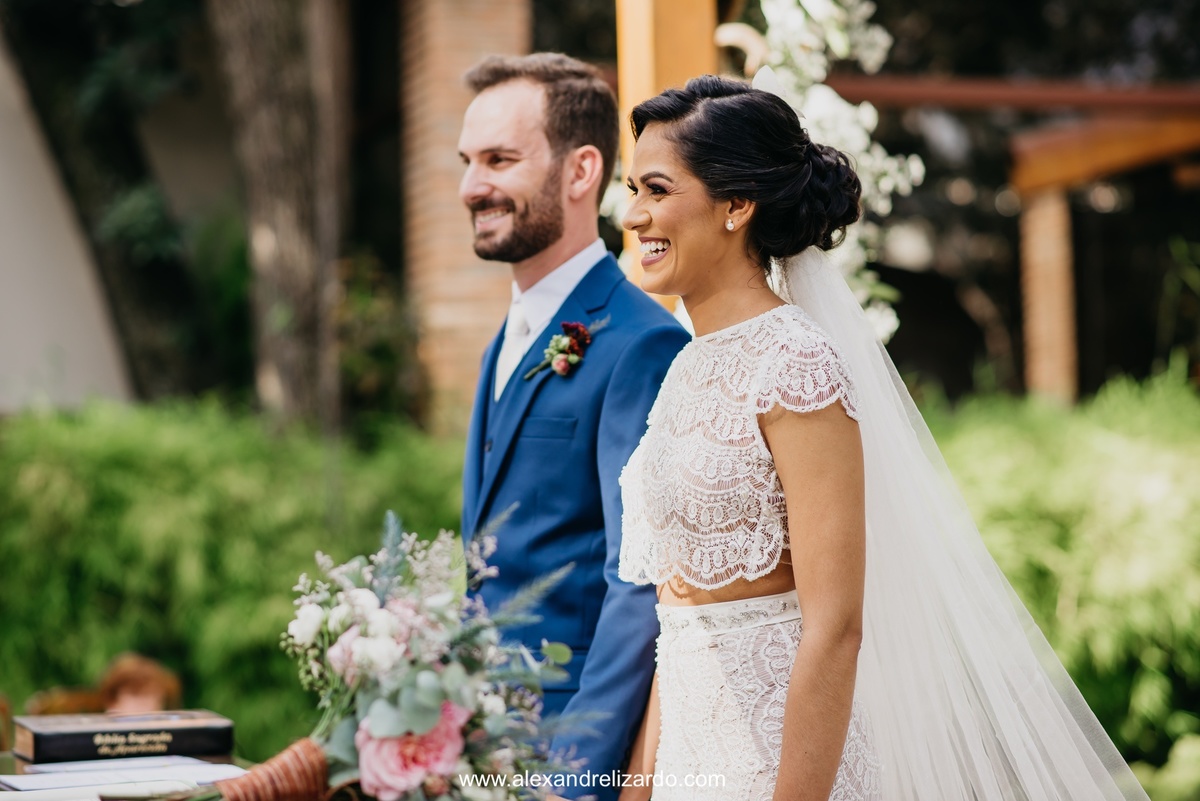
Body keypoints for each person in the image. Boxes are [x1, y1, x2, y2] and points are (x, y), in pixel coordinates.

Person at [616, 72, 1151, 801]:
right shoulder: (684, 366)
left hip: (782, 766)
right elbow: (673, 625)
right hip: (689, 757)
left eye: (655, 189)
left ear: (736, 205)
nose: (633, 214)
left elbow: (835, 626)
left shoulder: (795, 362)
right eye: (632, 190)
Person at [456, 53, 690, 800]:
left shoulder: (639, 343)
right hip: (475, 750)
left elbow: (641, 578)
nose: (472, 186)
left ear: (581, 170)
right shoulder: (510, 333)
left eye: (500, 159)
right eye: (468, 162)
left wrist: (572, 777)